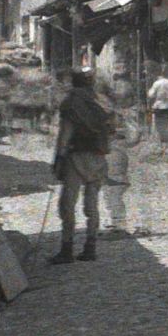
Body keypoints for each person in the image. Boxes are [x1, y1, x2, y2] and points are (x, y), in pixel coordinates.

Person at [49, 69, 112, 264]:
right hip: (99, 158)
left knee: (67, 204)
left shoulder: (70, 103)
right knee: (91, 205)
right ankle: (90, 248)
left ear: (73, 82)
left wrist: (58, 158)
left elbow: (65, 134)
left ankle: (67, 250)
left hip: (76, 158)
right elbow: (111, 128)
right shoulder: (101, 101)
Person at [102, 112, 138, 234]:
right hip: (109, 176)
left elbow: (134, 138)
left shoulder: (119, 142)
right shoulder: (108, 144)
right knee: (109, 198)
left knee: (115, 199)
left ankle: (119, 224)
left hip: (117, 176)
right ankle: (114, 221)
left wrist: (131, 122)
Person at [146, 67, 168, 142]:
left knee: (159, 123)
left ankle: (162, 139)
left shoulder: (157, 83)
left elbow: (150, 95)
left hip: (159, 105)